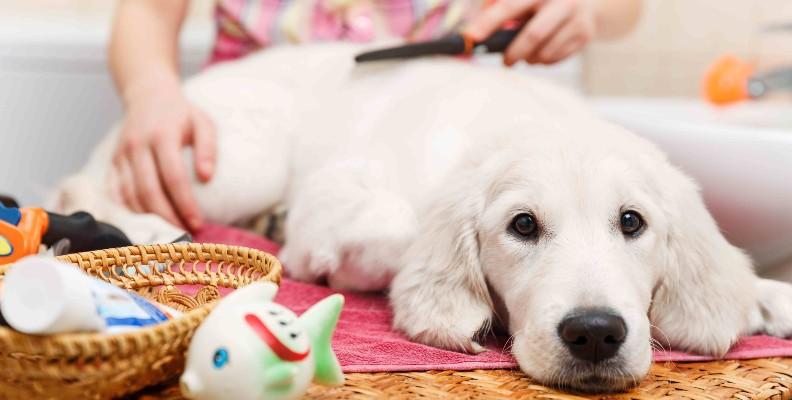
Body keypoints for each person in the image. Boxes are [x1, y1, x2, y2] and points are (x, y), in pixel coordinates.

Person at [108, 0, 641, 231]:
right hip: (240, 154)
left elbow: (624, 10)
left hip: (412, 165)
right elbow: (147, 11)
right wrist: (152, 92)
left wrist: (586, 11)